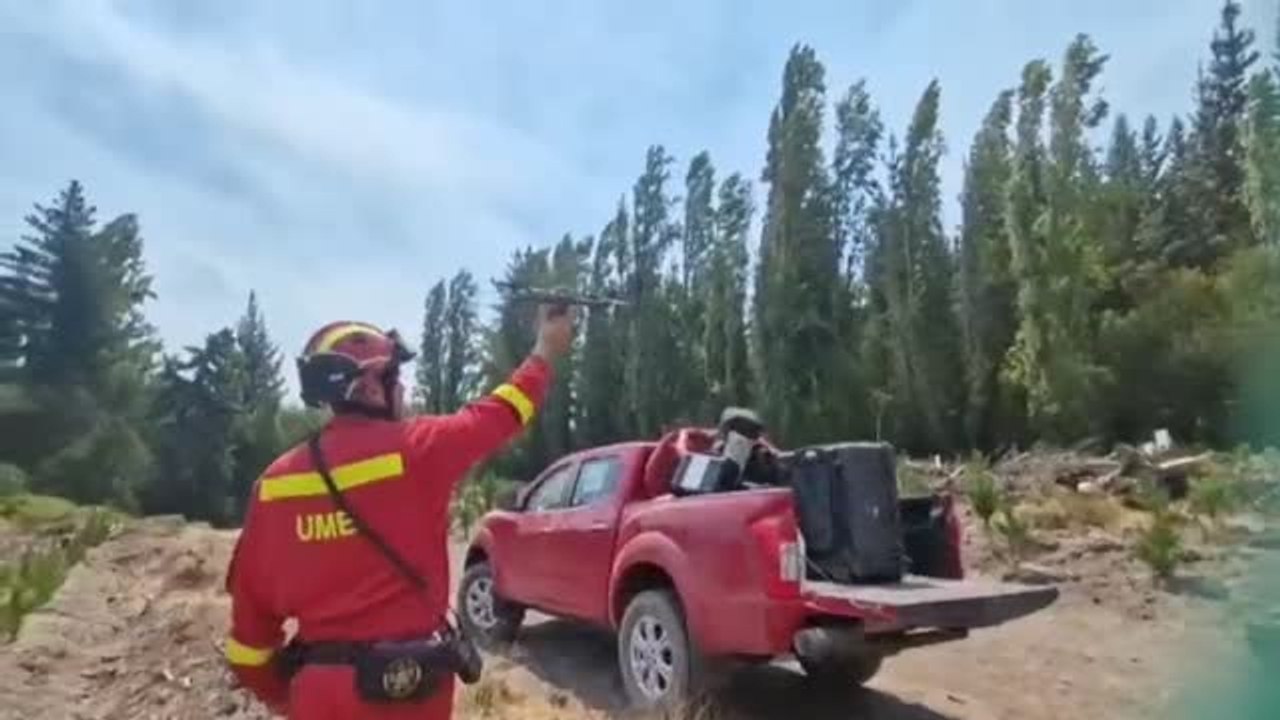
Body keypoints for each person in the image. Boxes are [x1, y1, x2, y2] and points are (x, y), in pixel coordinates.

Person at [223, 304, 575, 719]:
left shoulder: (274, 486)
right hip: (407, 694)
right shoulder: (417, 449)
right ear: (371, 387)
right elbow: (503, 411)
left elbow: (248, 647)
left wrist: (294, 698)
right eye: (396, 378)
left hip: (317, 696)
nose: (404, 391)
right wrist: (545, 351)